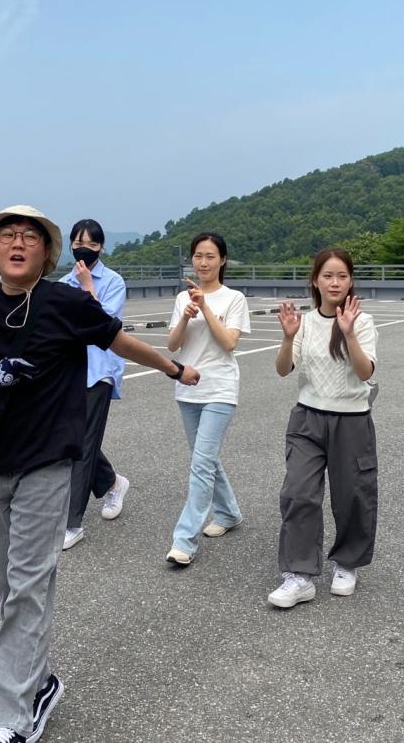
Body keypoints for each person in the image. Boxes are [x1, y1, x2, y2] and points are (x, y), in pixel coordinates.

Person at [0, 205, 199, 743]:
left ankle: (14, 715)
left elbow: (117, 340)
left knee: (29, 586)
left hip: (48, 464)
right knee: (10, 589)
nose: (17, 242)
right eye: (7, 235)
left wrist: (173, 367)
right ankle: (43, 681)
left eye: (29, 237)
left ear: (47, 253)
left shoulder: (65, 302)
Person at [268, 247, 378, 608]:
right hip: (307, 418)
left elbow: (365, 371)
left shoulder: (362, 321)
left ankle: (347, 563)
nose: (335, 282)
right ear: (315, 281)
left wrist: (349, 334)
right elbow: (283, 369)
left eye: (342, 276)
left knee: (352, 496)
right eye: (328, 275)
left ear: (350, 281)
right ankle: (299, 575)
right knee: (298, 492)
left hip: (352, 419)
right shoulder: (305, 322)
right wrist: (288, 337)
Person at [165, 232, 251, 567]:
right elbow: (173, 345)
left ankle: (184, 540)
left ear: (223, 260)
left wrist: (205, 308)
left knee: (201, 463)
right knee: (206, 459)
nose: (203, 262)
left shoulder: (234, 298)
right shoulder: (181, 298)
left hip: (220, 389)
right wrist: (187, 314)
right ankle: (228, 512)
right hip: (188, 389)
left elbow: (229, 343)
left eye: (210, 256)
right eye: (198, 256)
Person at [58, 219, 129, 551]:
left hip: (99, 371)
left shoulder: (113, 281)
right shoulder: (62, 283)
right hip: (66, 372)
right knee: (68, 438)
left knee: (83, 446)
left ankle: (71, 523)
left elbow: (102, 325)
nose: (82, 247)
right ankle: (112, 482)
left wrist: (87, 285)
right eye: (77, 242)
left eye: (89, 243)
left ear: (100, 247)